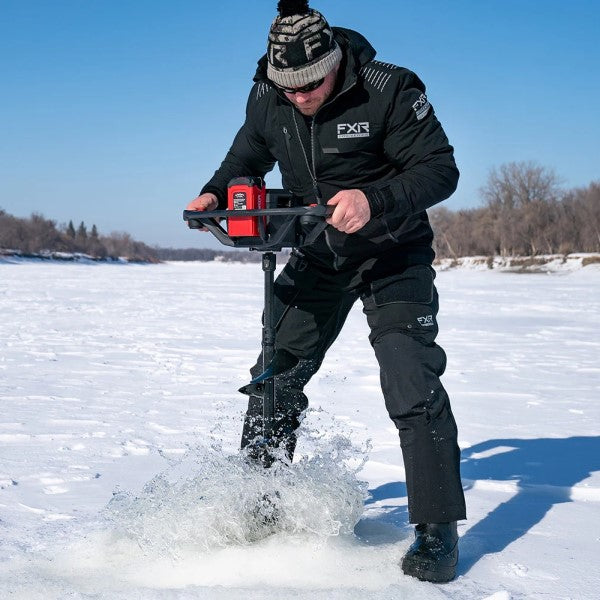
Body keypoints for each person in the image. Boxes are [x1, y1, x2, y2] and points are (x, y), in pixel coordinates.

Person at [185, 0, 466, 583]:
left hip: (393, 255)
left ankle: (436, 531)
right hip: (317, 254)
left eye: (311, 84)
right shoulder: (270, 93)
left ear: (334, 59)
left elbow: (440, 169)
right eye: (288, 88)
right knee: (274, 376)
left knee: (412, 383)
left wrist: (375, 199)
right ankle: (260, 505)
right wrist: (215, 191)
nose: (300, 97)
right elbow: (248, 153)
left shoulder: (390, 89)